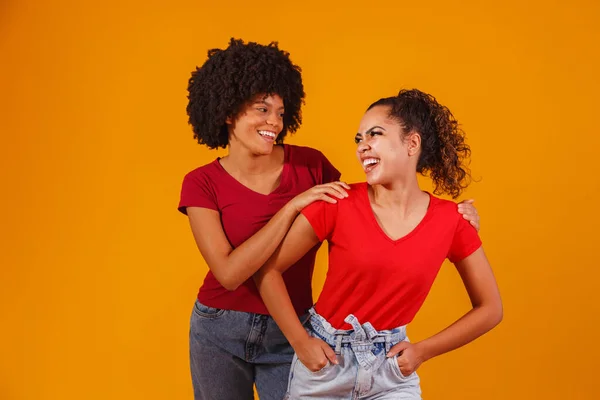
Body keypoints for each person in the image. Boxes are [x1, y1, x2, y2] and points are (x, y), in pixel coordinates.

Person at [178, 38, 482, 400]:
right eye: (262, 109)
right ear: (228, 111)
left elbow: (364, 212)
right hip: (219, 326)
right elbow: (228, 274)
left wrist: (452, 218)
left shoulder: (311, 165)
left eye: (280, 111)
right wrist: (291, 207)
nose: (274, 122)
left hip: (293, 326)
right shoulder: (201, 183)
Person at [255, 89, 502, 400]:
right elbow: (267, 271)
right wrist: (300, 343)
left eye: (375, 134)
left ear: (412, 143)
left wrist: (422, 351)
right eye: (359, 139)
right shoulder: (337, 202)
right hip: (325, 366)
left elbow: (490, 309)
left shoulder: (451, 221)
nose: (363, 147)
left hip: (391, 371)